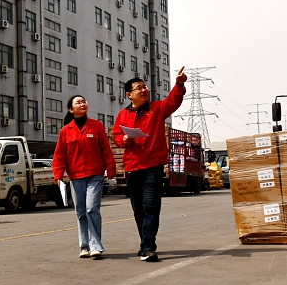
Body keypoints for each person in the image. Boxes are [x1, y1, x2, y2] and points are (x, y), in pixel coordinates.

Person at [112, 67, 187, 262]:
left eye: (145, 87)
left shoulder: (157, 109)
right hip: (132, 167)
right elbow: (117, 136)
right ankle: (144, 243)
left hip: (152, 167)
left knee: (151, 206)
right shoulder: (122, 115)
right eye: (139, 88)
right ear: (129, 95)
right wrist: (125, 140)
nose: (144, 90)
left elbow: (173, 101)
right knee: (138, 209)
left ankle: (148, 246)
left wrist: (179, 84)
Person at [51, 94, 117, 259]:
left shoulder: (96, 126)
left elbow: (105, 150)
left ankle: (96, 246)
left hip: (95, 174)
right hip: (76, 176)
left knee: (91, 208)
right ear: (71, 109)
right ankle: (85, 246)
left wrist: (111, 171)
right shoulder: (66, 131)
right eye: (78, 102)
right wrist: (58, 175)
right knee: (80, 212)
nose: (82, 104)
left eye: (84, 101)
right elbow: (59, 155)